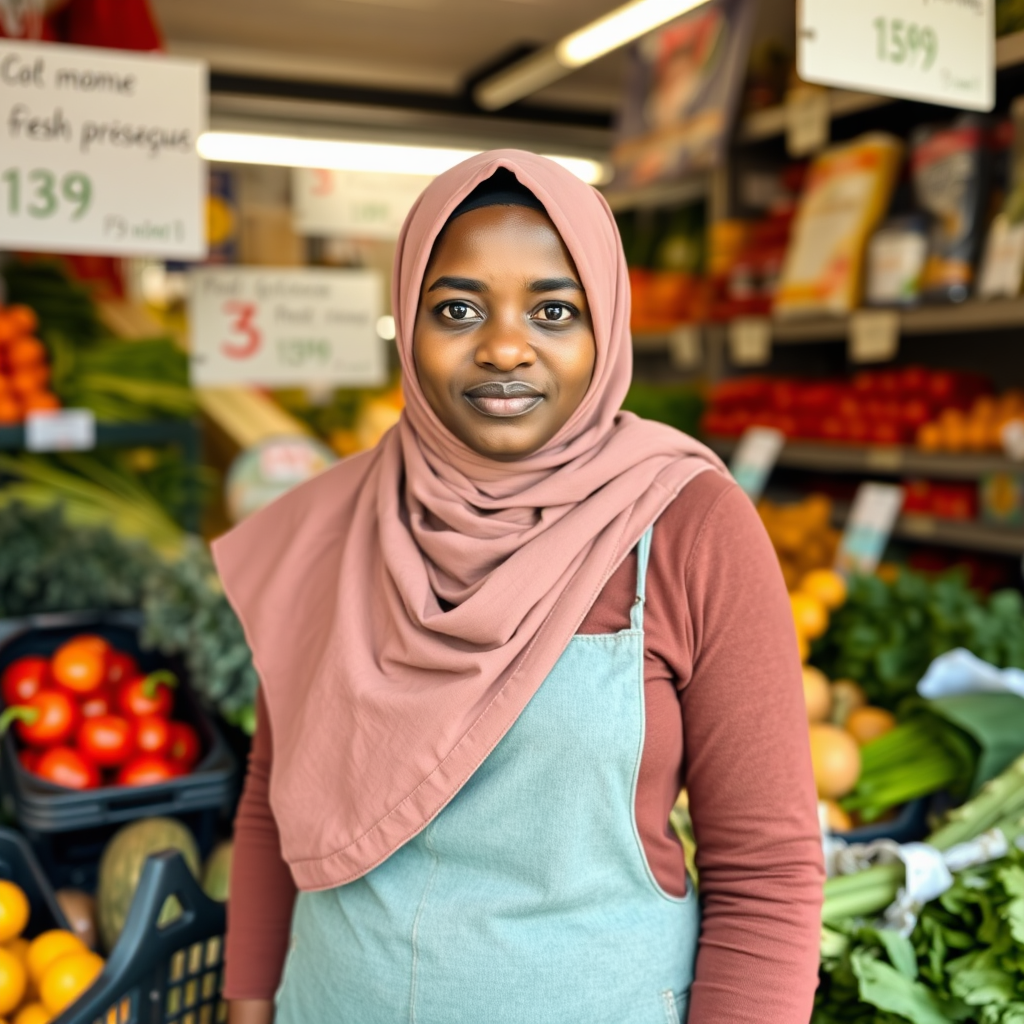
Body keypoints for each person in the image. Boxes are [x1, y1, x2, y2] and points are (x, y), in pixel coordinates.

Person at [215, 150, 824, 1024]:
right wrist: (248, 1003)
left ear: (606, 324)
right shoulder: (329, 525)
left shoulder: (689, 527)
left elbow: (766, 871)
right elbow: (275, 798)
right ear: (406, 321)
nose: (505, 346)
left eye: (554, 309)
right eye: (457, 308)